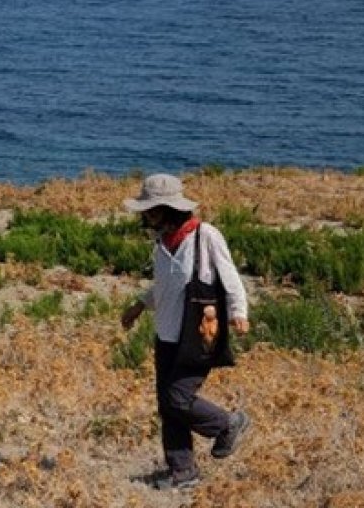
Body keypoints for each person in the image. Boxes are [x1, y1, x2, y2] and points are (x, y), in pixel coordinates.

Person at [119, 174, 252, 490]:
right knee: (168, 405)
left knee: (177, 398)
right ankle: (183, 472)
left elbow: (231, 279)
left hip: (197, 336)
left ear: (168, 209)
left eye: (150, 211)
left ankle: (227, 424)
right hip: (165, 334)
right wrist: (139, 306)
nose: (145, 217)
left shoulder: (206, 236)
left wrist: (238, 313)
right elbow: (165, 288)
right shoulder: (162, 244)